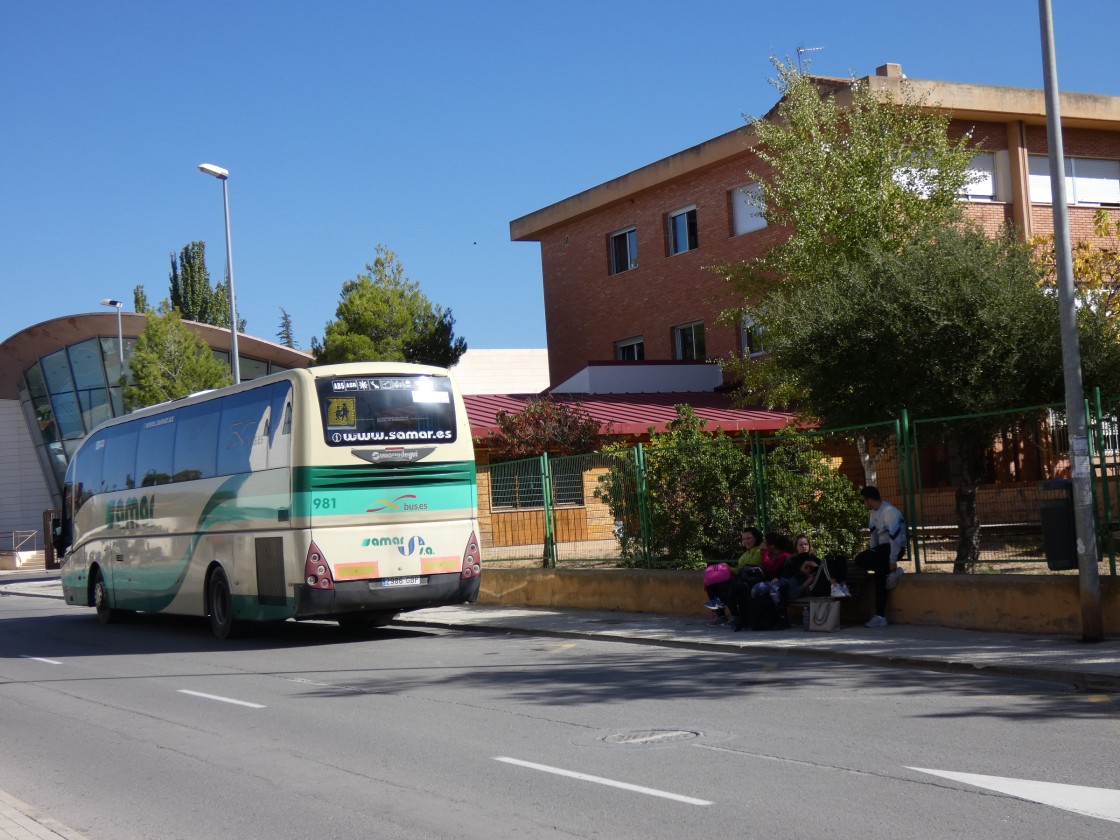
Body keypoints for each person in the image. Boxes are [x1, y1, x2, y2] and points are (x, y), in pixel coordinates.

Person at [853, 486, 906, 627]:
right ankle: (880, 616)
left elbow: (895, 539)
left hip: (894, 548)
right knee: (880, 578)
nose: (863, 504)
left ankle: (892, 571)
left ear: (870, 499)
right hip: (882, 550)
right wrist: (873, 552)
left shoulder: (889, 512)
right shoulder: (873, 514)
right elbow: (874, 536)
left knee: (861, 559)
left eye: (863, 501)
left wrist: (892, 560)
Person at [704, 526, 763, 626]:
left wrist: (730, 568)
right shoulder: (745, 554)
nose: (746, 541)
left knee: (729, 587)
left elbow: (749, 567)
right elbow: (738, 569)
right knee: (711, 585)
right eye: (744, 539)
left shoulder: (759, 551)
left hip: (752, 579)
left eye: (749, 538)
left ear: (756, 538)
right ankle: (721, 615)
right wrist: (726, 568)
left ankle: (737, 615)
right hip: (740, 578)